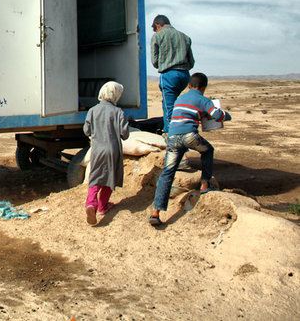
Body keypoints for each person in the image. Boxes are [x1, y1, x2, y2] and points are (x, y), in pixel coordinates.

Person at [149, 73, 231, 226]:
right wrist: (226, 115)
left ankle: (156, 212)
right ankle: (205, 184)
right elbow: (216, 115)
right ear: (203, 88)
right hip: (189, 136)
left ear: (188, 86)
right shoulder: (202, 99)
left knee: (168, 172)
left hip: (173, 138)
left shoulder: (180, 98)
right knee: (207, 150)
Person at [83, 81, 130, 226]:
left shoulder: (92, 111)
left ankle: (91, 204)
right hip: (113, 150)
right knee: (110, 178)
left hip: (97, 149)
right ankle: (103, 206)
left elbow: (86, 131)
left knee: (95, 177)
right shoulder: (118, 112)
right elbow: (125, 134)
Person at [150, 15, 195, 135]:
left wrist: (164, 64)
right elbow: (191, 62)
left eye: (154, 28)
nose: (155, 31)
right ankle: (179, 129)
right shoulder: (185, 37)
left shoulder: (158, 36)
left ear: (158, 25)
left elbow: (154, 61)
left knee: (168, 108)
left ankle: (171, 135)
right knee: (176, 105)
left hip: (169, 75)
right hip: (184, 75)